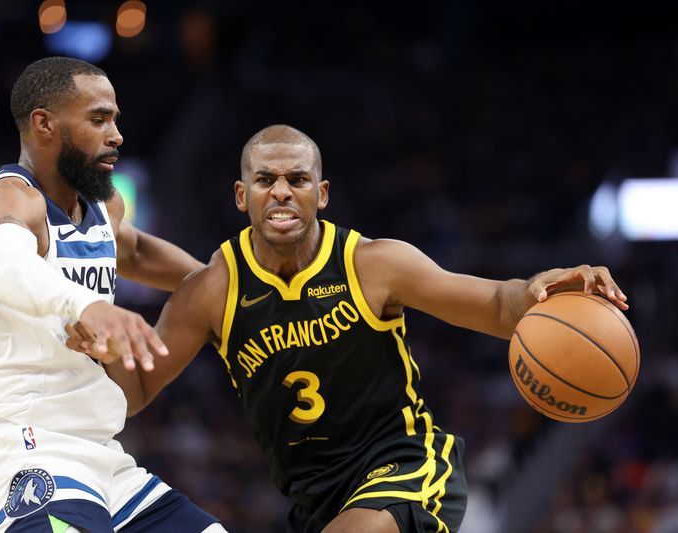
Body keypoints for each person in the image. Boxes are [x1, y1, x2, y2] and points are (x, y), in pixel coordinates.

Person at [69, 124, 629, 533]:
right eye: (265, 180)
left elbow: (498, 307)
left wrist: (539, 289)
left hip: (407, 467)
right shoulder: (213, 290)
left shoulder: (375, 264)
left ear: (323, 193)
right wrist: (109, 347)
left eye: (297, 179)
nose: (282, 191)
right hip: (315, 499)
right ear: (242, 196)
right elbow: (139, 390)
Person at [0, 56, 227, 533]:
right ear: (44, 123)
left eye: (115, 119)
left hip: (104, 461)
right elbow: (5, 261)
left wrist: (226, 288)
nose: (117, 134)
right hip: (24, 452)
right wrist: (87, 304)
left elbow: (137, 251)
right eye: (99, 118)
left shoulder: (103, 206)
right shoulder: (10, 201)